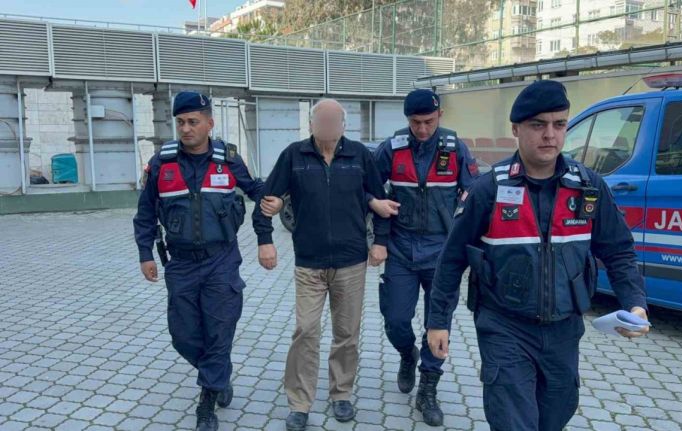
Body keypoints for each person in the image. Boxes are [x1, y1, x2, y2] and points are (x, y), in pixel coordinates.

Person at [427, 80, 649, 431]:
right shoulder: (490, 189)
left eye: (559, 124)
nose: (550, 134)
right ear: (516, 129)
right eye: (538, 125)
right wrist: (438, 321)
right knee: (515, 422)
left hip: (564, 331)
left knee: (555, 415)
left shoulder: (588, 187)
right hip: (504, 327)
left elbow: (619, 250)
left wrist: (635, 303)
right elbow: (452, 258)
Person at [133, 91, 276, 431]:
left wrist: (274, 204)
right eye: (181, 122)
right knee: (182, 335)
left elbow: (256, 190)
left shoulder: (229, 160)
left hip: (221, 260)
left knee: (219, 331)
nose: (186, 128)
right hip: (180, 263)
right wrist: (145, 254)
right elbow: (145, 213)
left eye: (193, 122)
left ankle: (208, 402)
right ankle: (218, 372)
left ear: (209, 123)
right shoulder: (162, 164)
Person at [258, 98, 389, 431]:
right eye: (322, 119)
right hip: (309, 262)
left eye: (334, 120)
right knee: (305, 331)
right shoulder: (293, 155)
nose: (328, 125)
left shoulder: (360, 155)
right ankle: (299, 403)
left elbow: (380, 200)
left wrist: (381, 242)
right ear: (311, 124)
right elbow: (267, 200)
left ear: (344, 125)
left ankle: (341, 394)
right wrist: (265, 240)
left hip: (351, 262)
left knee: (347, 334)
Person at [367, 89, 479, 426]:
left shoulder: (455, 149)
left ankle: (428, 387)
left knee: (438, 323)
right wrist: (375, 207)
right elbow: (368, 187)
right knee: (395, 319)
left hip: (443, 252)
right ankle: (407, 354)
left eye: (428, 121)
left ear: (440, 115)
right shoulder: (392, 148)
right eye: (415, 122)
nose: (422, 129)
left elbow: (477, 191)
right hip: (401, 249)